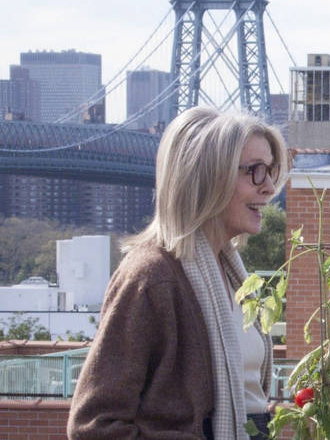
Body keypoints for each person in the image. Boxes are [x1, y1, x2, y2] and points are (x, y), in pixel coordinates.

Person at [68, 107, 292, 439]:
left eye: (271, 171)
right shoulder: (151, 276)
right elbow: (94, 425)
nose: (270, 187)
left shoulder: (232, 275)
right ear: (205, 177)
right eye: (254, 172)